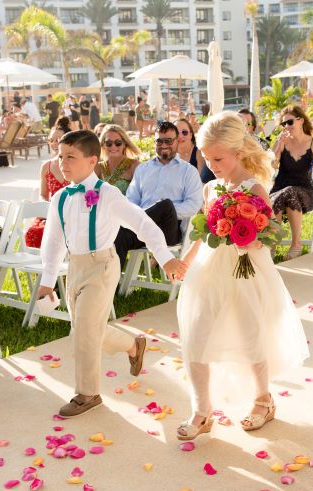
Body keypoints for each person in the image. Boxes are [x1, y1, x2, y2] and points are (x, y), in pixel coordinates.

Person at [175, 111, 309, 440]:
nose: (212, 164)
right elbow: (200, 232)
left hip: (245, 272)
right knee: (196, 336)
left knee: (251, 336)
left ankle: (263, 399)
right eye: (206, 158)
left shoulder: (255, 189)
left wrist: (243, 236)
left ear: (237, 151)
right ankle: (201, 409)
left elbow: (267, 238)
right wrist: (185, 262)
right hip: (210, 272)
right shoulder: (210, 189)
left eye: (218, 158)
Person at [36, 130, 186, 417]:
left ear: (92, 161)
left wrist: (165, 258)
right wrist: (47, 281)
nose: (63, 163)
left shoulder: (107, 194)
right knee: (86, 328)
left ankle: (87, 394)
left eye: (71, 157)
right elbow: (53, 241)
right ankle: (133, 345)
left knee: (84, 331)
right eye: (60, 156)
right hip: (75, 267)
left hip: (102, 266)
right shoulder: (60, 199)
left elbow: (144, 225)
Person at [114, 121, 203, 271]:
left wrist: (163, 211)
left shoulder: (188, 171)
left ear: (177, 141)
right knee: (118, 234)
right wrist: (148, 214)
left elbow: (194, 205)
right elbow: (131, 200)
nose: (164, 145)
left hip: (169, 229)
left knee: (165, 205)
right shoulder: (143, 169)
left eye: (168, 140)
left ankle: (155, 213)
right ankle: (112, 289)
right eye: (159, 141)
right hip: (142, 229)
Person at [270, 106, 313, 261]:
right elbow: (272, 166)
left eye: (290, 122)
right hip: (279, 188)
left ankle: (296, 244)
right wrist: (279, 148)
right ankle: (271, 246)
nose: (287, 127)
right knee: (280, 195)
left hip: (305, 190)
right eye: (284, 124)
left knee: (289, 192)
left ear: (301, 121)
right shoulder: (281, 142)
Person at [96, 124, 140, 194]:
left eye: (118, 142)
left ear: (124, 144)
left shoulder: (134, 165)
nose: (113, 146)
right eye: (108, 143)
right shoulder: (98, 167)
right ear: (103, 145)